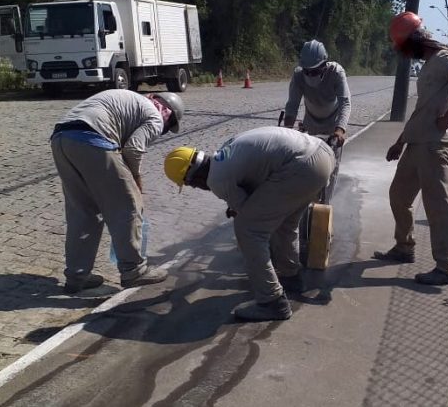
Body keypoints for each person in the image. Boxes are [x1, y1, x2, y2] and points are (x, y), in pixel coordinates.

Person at [163, 127, 335, 321]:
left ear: (193, 177)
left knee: (249, 230)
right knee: (285, 225)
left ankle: (272, 302)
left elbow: (245, 212)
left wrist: (238, 209)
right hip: (321, 154)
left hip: (300, 167)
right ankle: (291, 277)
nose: (198, 188)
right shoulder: (225, 151)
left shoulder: (217, 180)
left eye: (191, 184)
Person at [373, 12, 448, 285]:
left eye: (406, 49)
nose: (408, 56)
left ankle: (446, 267)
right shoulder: (431, 61)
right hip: (417, 141)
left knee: (438, 207)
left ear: (416, 41)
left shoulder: (444, 59)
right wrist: (401, 141)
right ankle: (403, 247)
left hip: (433, 145)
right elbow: (422, 110)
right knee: (399, 195)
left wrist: (447, 118)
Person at [51, 89, 186, 293]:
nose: (163, 130)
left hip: (61, 138)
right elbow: (133, 149)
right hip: (93, 139)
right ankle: (134, 271)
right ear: (168, 114)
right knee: (128, 205)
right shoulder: (156, 116)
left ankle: (77, 276)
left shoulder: (134, 101)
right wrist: (136, 180)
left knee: (83, 213)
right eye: (168, 127)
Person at [284, 39, 350, 202]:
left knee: (330, 167)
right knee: (306, 164)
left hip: (333, 127)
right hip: (310, 124)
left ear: (324, 65)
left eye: (314, 72)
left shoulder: (336, 73)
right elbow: (292, 105)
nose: (310, 75)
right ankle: (303, 200)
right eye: (307, 71)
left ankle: (325, 204)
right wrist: (286, 129)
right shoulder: (299, 75)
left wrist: (340, 130)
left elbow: (345, 103)